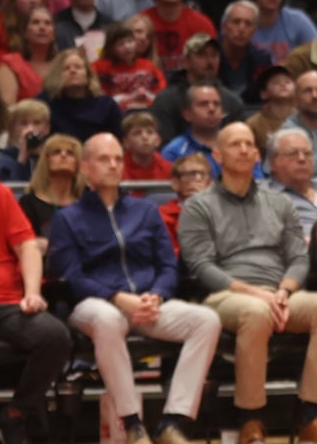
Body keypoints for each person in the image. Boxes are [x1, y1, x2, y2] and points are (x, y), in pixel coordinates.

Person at [47, 133, 220, 444]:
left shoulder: (145, 211)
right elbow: (71, 277)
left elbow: (168, 266)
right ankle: (133, 425)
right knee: (108, 319)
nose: (113, 165)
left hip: (147, 302)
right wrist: (117, 297)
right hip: (94, 304)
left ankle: (173, 422)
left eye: (117, 158)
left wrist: (156, 295)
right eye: (104, 159)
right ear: (85, 167)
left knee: (206, 320)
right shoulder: (68, 219)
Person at [181, 123, 317, 444]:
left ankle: (312, 417)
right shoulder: (198, 206)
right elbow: (201, 267)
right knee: (255, 313)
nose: (244, 150)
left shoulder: (280, 203)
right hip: (226, 295)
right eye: (235, 144)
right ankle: (251, 420)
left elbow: (300, 258)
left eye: (249, 144)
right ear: (217, 154)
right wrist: (259, 294)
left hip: (278, 293)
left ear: (258, 155)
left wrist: (284, 292)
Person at [0, 143, 72, 444]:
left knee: (55, 336)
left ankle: (15, 416)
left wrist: (32, 292)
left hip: (8, 300)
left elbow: (27, 246)